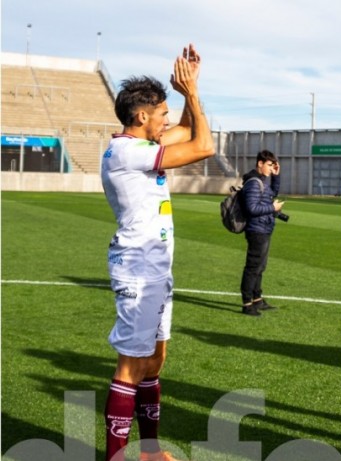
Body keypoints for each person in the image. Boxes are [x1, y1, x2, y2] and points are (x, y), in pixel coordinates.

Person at [101, 44, 214, 461]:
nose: (167, 119)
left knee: (154, 360)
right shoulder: (129, 152)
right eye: (161, 112)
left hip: (155, 266)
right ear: (142, 116)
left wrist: (190, 92)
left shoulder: (142, 144)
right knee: (131, 366)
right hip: (137, 267)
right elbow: (203, 146)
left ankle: (147, 450)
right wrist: (195, 96)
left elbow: (186, 129)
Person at [239, 149, 285, 316]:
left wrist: (276, 176)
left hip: (264, 227)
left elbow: (272, 193)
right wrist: (273, 208)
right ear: (260, 163)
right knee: (253, 267)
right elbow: (252, 208)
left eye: (274, 165)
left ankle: (257, 299)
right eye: (270, 165)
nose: (272, 168)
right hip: (256, 229)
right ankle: (247, 303)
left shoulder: (263, 181)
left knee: (260, 266)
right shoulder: (253, 182)